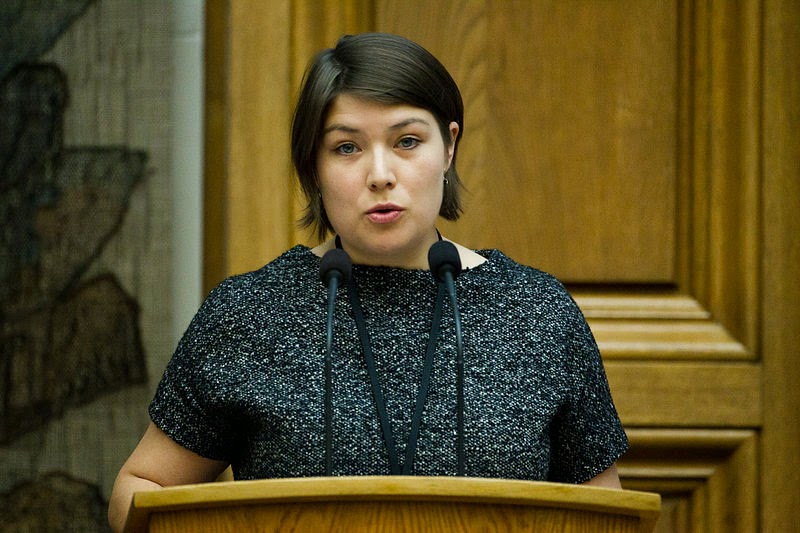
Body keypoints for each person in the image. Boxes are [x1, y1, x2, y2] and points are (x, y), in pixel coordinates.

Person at [108, 32, 628, 531]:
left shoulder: (537, 310)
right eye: (346, 148)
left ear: (448, 147)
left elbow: (605, 515)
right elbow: (140, 489)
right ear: (313, 167)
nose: (380, 174)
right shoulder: (248, 312)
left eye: (407, 141)